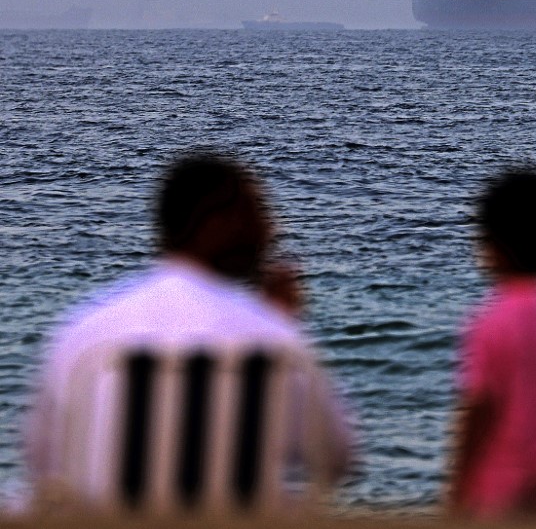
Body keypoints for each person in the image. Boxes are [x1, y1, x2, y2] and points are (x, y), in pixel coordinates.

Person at [24, 152, 353, 506]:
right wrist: (282, 324)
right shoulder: (273, 339)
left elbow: (44, 461)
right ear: (215, 220)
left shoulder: (86, 333)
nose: (271, 229)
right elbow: (335, 457)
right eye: (256, 212)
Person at [449, 169, 536, 518]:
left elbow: (480, 410)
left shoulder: (491, 319)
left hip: (495, 490)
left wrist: (457, 492)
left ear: (491, 242)